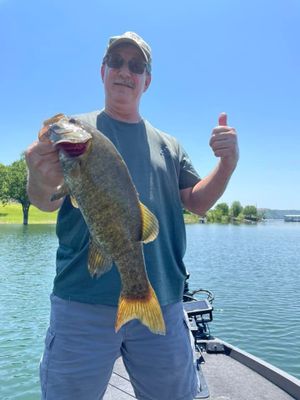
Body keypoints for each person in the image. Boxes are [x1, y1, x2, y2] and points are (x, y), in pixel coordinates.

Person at [25, 31, 239, 400]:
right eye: (117, 62)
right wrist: (37, 177)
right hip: (81, 304)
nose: (126, 71)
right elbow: (46, 200)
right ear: (103, 70)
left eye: (136, 66)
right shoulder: (75, 133)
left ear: (147, 80)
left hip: (163, 300)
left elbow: (198, 202)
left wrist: (228, 164)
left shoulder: (169, 145)